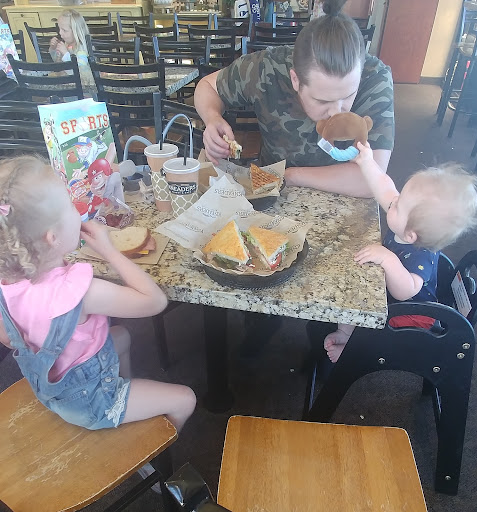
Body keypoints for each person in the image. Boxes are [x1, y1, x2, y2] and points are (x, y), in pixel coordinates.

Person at [0, 156, 196, 489]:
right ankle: (149, 457)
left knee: (121, 336)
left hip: (50, 387)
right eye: (70, 206)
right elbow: (155, 302)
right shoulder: (81, 291)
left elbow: (9, 339)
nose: (78, 211)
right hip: (90, 402)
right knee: (185, 398)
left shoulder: (7, 283)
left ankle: (125, 397)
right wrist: (109, 250)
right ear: (52, 237)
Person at [194, 0, 394, 198]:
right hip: (270, 197)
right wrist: (212, 118)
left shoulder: (375, 78)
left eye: (348, 96)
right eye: (322, 101)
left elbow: (372, 180)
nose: (335, 112)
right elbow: (207, 86)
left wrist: (292, 175)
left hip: (345, 197)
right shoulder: (267, 69)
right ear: (295, 80)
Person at [324, 142, 477, 362]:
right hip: (392, 297)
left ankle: (354, 351)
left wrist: (388, 259)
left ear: (410, 235)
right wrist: (367, 162)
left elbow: (406, 290)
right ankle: (345, 333)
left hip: (411, 316)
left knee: (370, 318)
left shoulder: (420, 255)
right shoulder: (404, 224)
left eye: (398, 205)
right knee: (356, 293)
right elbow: (384, 187)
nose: (393, 200)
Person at [48, 9, 94, 88]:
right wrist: (54, 49)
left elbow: (80, 72)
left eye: (64, 30)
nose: (60, 33)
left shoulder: (82, 50)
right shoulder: (67, 45)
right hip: (67, 86)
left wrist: (66, 54)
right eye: (59, 29)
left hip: (84, 90)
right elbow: (57, 64)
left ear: (76, 32)